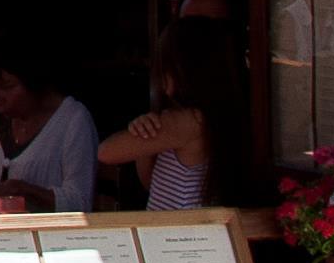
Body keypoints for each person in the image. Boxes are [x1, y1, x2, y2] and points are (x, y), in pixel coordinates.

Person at [100, 13, 251, 209]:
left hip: (176, 235)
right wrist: (144, 135)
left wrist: (140, 134)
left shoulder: (187, 120)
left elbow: (106, 153)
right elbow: (151, 184)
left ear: (183, 71)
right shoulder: (212, 118)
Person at [0, 35, 100, 211]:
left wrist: (25, 192)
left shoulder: (73, 121)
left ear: (34, 82)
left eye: (8, 86)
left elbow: (80, 201)